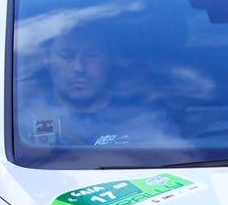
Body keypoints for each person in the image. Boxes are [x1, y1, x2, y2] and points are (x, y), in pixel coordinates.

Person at [17, 19, 168, 146]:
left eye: (92, 55)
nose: (79, 67)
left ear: (110, 58)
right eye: (66, 56)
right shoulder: (23, 122)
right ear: (47, 59)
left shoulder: (144, 116)